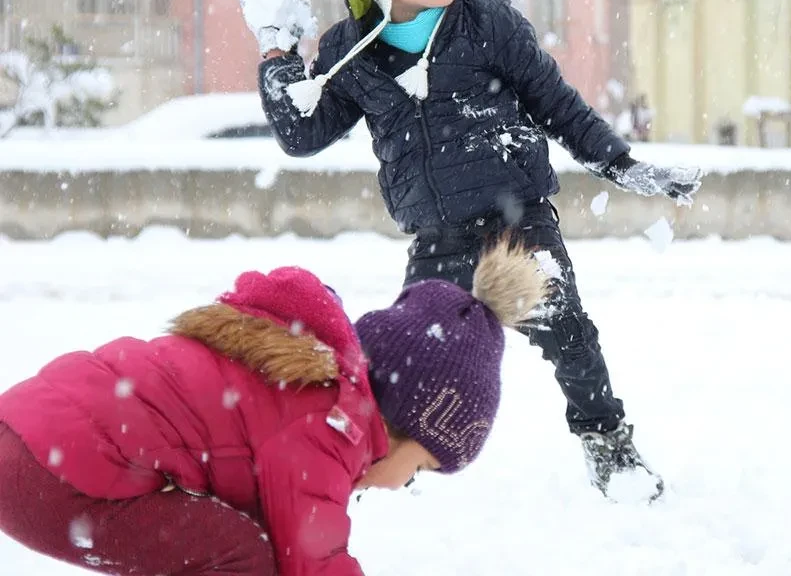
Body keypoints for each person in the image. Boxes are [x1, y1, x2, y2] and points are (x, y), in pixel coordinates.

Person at [237, 0, 701, 500]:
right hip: (437, 235)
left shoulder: (484, 21)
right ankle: (378, 461)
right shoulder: (352, 50)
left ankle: (608, 443)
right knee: (402, 362)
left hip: (518, 221)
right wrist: (277, 54)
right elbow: (302, 133)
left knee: (569, 333)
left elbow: (555, 103)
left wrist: (620, 164)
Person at [0, 237, 546, 575]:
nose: (404, 483)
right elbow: (315, 561)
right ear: (403, 419)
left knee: (236, 543)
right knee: (239, 554)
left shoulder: (311, 393)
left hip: (28, 442)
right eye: (423, 466)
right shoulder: (331, 425)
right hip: (48, 475)